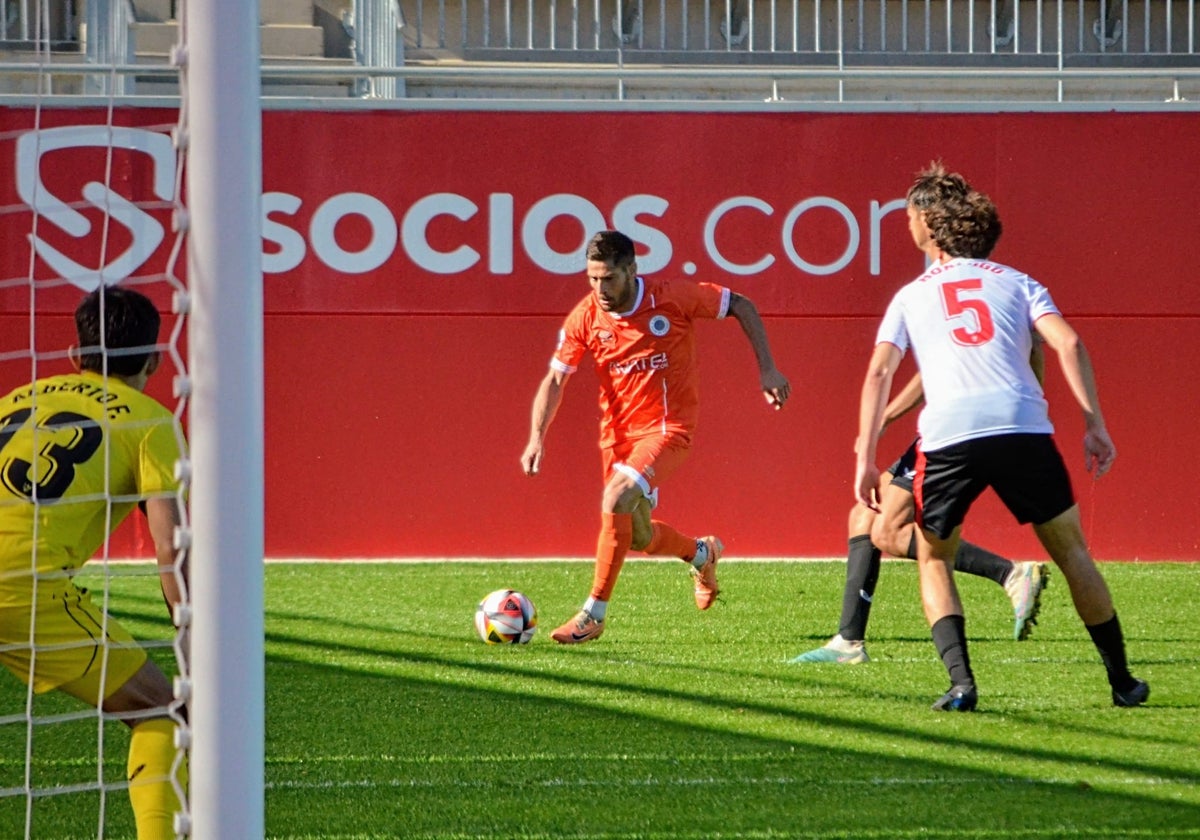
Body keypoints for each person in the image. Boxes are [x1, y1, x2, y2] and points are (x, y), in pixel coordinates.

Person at [855, 162, 1147, 711]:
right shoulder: (1018, 282)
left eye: (911, 216)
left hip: (949, 435)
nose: (907, 223)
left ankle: (962, 685)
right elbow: (1068, 343)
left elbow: (878, 372)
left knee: (935, 558)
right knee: (1073, 554)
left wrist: (864, 456)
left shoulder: (913, 295)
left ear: (930, 225)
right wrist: (1094, 423)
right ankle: (1122, 681)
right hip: (1022, 428)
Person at [521, 229, 790, 644]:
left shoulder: (673, 297)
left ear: (632, 269)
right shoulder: (586, 316)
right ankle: (703, 554)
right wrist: (537, 437)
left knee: (615, 498)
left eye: (608, 278)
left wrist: (768, 369)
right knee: (639, 537)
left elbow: (741, 305)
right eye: (592, 278)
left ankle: (593, 614)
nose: (599, 288)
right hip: (618, 437)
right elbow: (556, 378)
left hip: (669, 428)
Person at [0, 287, 188, 837]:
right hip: (21, 587)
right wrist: (189, 631)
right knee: (163, 712)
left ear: (74, 356)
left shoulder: (15, 397)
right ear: (153, 361)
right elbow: (172, 549)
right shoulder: (151, 421)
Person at [792, 371, 1049, 665]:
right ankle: (848, 641)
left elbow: (897, 369)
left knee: (888, 532)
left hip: (957, 429)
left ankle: (1010, 574)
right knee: (865, 514)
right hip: (951, 426)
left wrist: (883, 419)